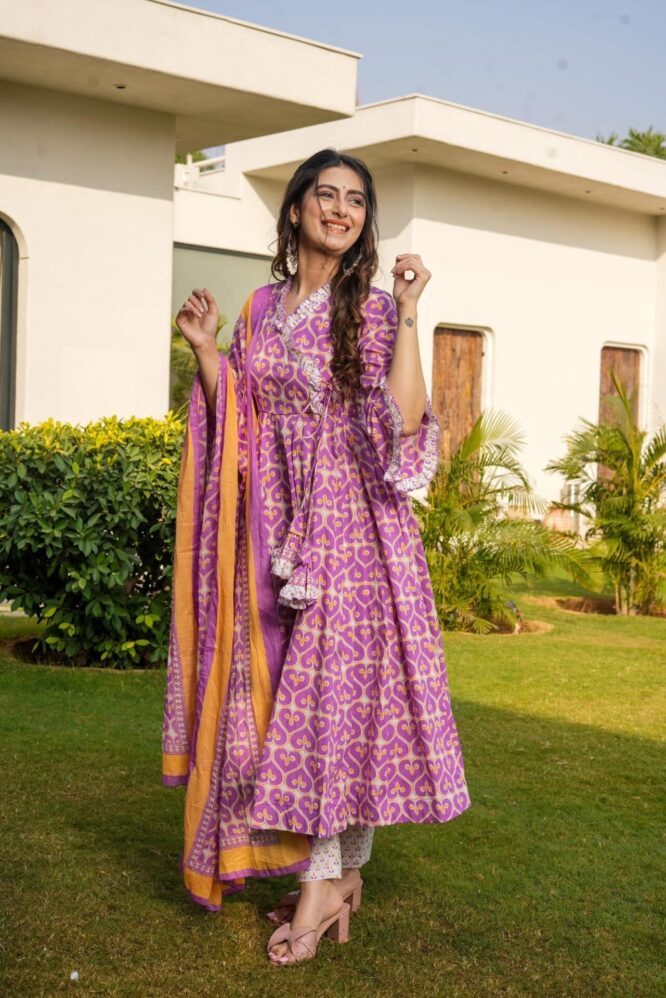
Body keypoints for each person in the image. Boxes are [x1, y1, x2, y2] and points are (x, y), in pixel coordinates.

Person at [162, 147, 471, 966]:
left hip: (355, 529)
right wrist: (205, 351)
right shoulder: (262, 307)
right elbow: (243, 416)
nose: (340, 210)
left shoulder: (369, 308)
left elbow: (405, 421)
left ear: (364, 221)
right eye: (325, 195)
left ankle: (319, 889)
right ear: (296, 208)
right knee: (296, 704)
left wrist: (411, 311)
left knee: (332, 705)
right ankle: (339, 878)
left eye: (356, 201)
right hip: (278, 525)